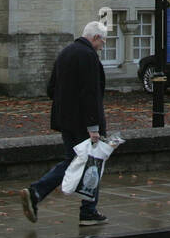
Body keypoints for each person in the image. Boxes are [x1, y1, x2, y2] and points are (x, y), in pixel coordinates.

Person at [20, 20, 109, 226]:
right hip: (84, 123)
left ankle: (40, 194)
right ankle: (84, 210)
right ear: (95, 37)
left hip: (65, 120)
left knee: (75, 160)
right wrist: (94, 128)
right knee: (91, 164)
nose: (102, 46)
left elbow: (51, 89)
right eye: (102, 42)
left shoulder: (65, 52)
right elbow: (91, 94)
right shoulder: (88, 56)